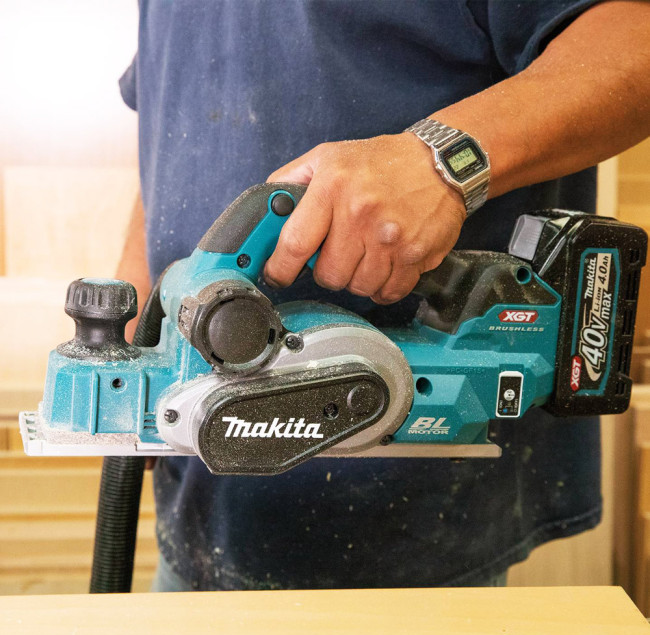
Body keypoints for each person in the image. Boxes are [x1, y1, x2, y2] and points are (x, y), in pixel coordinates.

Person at [117, 1, 650, 590]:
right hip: (197, 492)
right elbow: (170, 132)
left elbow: (636, 39)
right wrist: (142, 313)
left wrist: (440, 163)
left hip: (418, 525)